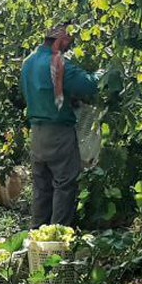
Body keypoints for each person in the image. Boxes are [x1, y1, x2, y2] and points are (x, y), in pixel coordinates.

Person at [20, 24, 99, 227]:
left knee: (41, 189)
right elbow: (89, 85)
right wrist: (103, 73)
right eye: (68, 40)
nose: (69, 45)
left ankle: (36, 237)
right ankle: (57, 242)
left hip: (36, 134)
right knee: (64, 186)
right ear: (60, 39)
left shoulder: (28, 62)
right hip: (58, 134)